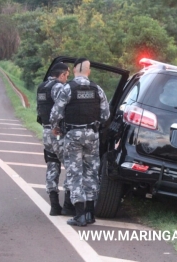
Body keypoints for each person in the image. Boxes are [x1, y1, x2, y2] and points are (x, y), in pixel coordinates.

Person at [50, 58, 110, 226]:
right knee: (91, 172)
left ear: (75, 70)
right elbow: (105, 115)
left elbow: (56, 113)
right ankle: (90, 214)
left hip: (73, 135)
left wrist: (55, 127)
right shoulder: (97, 89)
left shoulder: (68, 88)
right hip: (92, 135)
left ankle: (79, 215)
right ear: (89, 71)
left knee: (75, 173)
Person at [36, 62, 75, 216]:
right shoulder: (58, 87)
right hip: (57, 132)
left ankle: (54, 206)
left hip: (46, 132)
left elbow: (40, 110)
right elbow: (61, 109)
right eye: (67, 76)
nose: (67, 79)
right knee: (71, 166)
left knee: (52, 166)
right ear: (62, 74)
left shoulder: (42, 87)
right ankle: (67, 205)